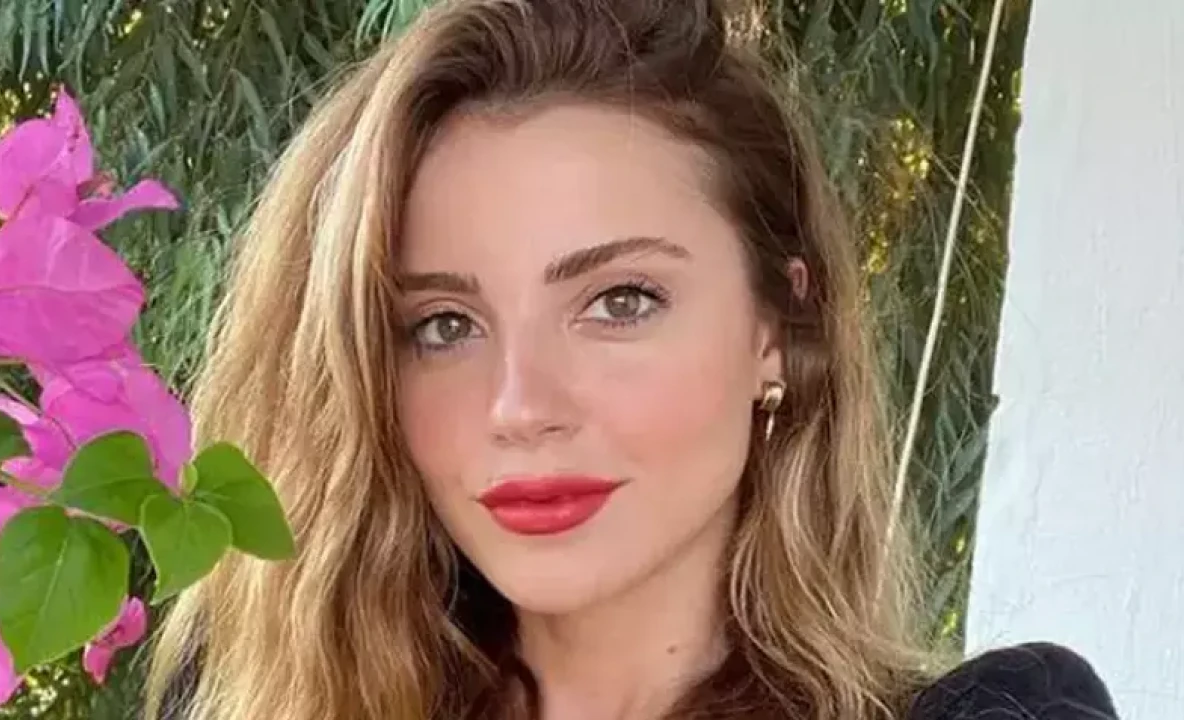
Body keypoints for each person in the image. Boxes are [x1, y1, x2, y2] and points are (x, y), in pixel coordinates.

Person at [143, 1, 1120, 718]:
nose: (519, 405)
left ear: (779, 329)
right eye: (442, 324)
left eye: (619, 302)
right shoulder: (247, 698)